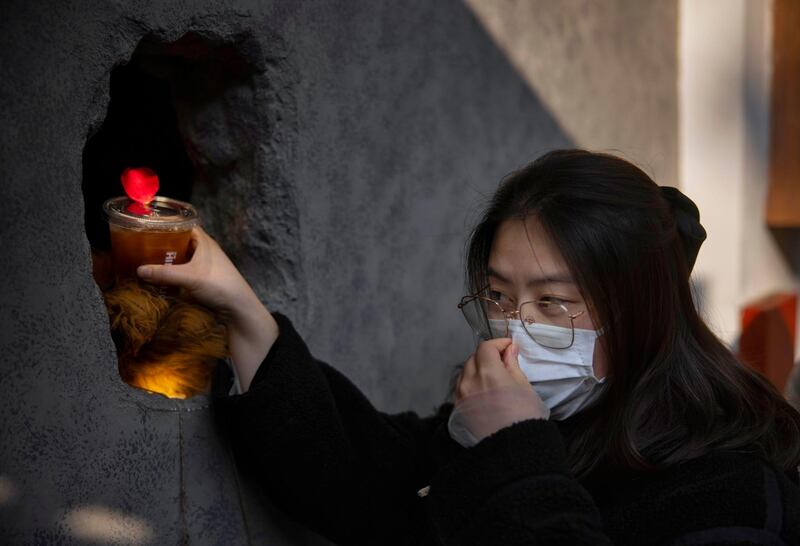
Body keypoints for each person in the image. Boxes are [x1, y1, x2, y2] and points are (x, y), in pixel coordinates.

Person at [137, 149, 800, 545]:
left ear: (647, 314)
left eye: (554, 301)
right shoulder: (554, 415)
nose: (514, 328)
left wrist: (516, 452)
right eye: (499, 296)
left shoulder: (737, 491)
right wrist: (244, 314)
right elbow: (368, 487)